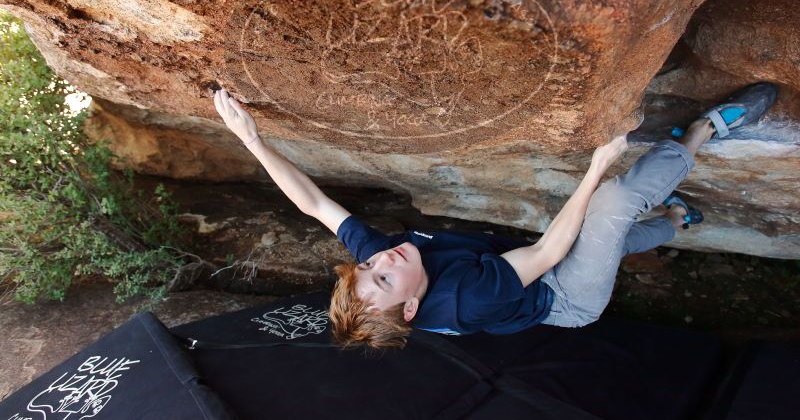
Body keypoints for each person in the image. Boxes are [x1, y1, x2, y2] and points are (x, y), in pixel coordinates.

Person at [212, 82, 778, 350]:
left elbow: (313, 204)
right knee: (606, 208)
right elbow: (550, 255)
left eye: (367, 266)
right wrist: (596, 166)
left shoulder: (381, 264)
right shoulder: (465, 299)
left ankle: (679, 221)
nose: (379, 258)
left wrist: (251, 140)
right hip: (563, 298)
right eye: (383, 276)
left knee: (609, 242)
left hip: (517, 265)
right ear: (411, 306)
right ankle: (704, 131)